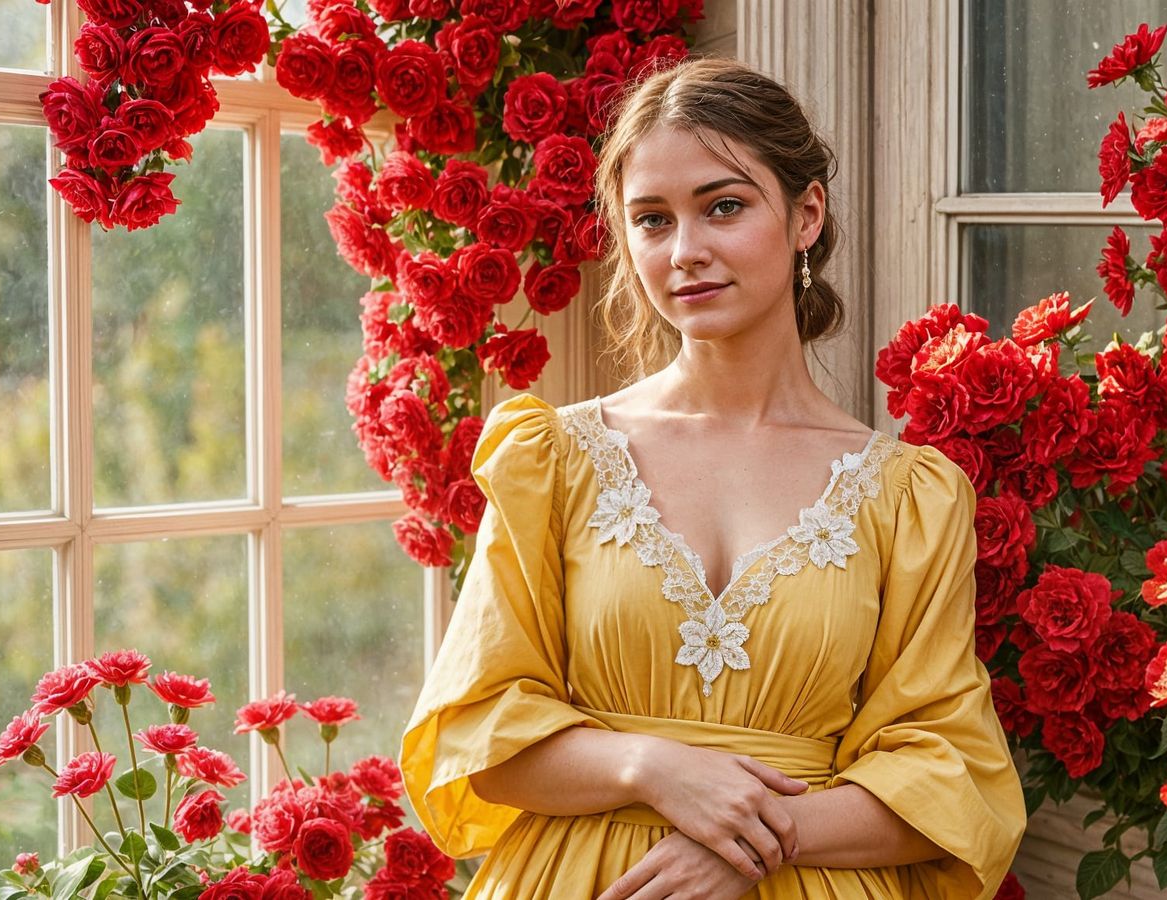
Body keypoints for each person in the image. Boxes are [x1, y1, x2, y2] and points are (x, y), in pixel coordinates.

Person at [400, 57, 1025, 899]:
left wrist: (753, 841)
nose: (686, 252)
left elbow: (951, 781)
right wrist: (652, 768)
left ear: (806, 214)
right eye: (652, 220)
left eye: (723, 206)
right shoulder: (553, 459)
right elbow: (478, 741)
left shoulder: (910, 496)